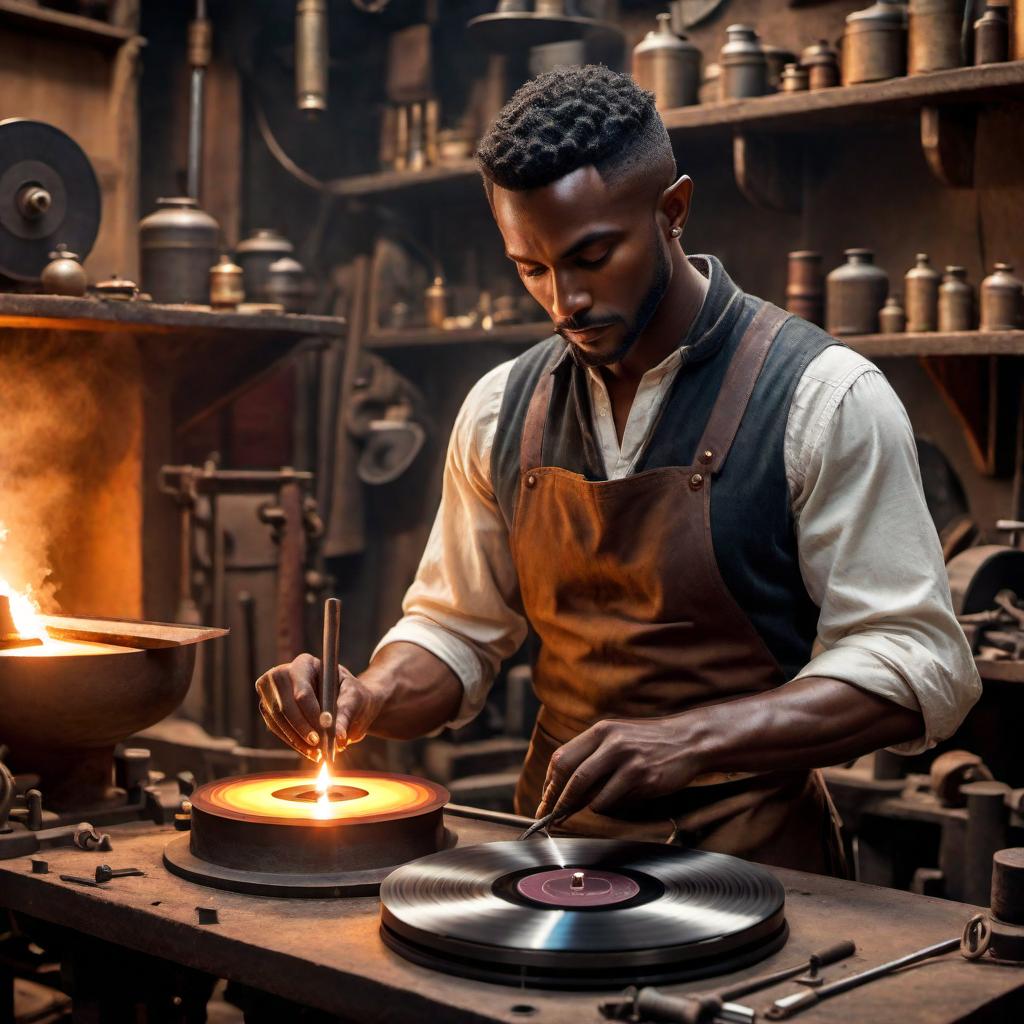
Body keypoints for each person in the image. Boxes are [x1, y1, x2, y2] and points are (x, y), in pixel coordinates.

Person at [256, 65, 980, 874]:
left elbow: (918, 663)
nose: (564, 301)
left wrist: (692, 739)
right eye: (531, 268)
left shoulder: (823, 398)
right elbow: (455, 629)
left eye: (592, 255)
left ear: (673, 211)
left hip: (760, 870)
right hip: (556, 864)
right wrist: (368, 697)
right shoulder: (503, 409)